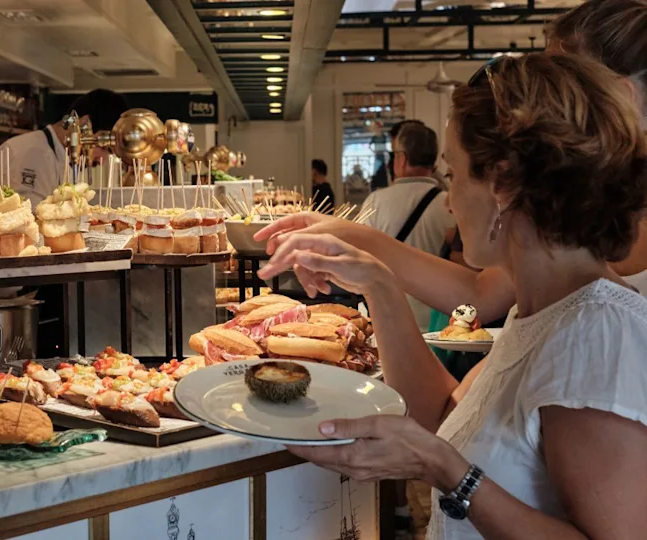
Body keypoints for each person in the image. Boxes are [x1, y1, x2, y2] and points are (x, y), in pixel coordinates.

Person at [261, 52, 647, 539]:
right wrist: (379, 286)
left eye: (455, 173)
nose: (449, 197)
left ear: (502, 183)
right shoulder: (541, 314)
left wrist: (448, 473)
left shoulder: (596, 333)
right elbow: (443, 415)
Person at [252, 0, 647, 326]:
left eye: (556, 82)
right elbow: (478, 296)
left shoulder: (601, 312)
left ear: (622, 96)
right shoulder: (561, 230)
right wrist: (351, 240)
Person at [361, 122, 455, 330]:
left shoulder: (376, 201)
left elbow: (358, 254)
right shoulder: (449, 203)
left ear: (401, 159)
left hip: (388, 317)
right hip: (439, 321)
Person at [0, 89, 128, 207]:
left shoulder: (64, 157)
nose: (102, 161)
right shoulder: (31, 152)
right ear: (85, 125)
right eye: (105, 149)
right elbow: (31, 219)